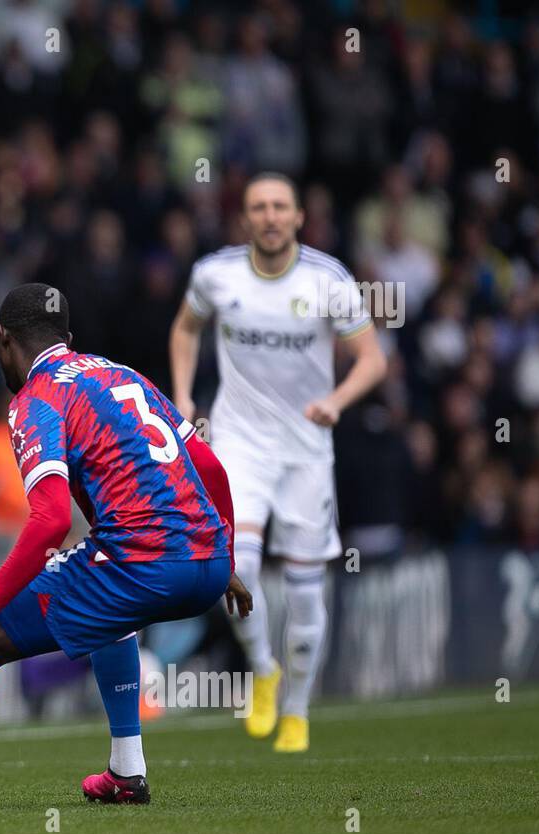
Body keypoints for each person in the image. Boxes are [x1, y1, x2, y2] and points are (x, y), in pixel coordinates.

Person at [0, 283, 251, 811]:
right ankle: (126, 773)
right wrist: (225, 556)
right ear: (67, 338)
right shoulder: (121, 374)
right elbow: (209, 466)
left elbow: (49, 519)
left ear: (2, 340)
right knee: (109, 614)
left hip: (142, 561)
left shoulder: (37, 398)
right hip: (207, 567)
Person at [168, 172, 387, 753]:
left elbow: (371, 357)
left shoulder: (327, 279)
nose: (269, 216)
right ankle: (263, 667)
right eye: (258, 207)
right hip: (241, 445)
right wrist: (185, 396)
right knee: (232, 568)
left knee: (306, 590)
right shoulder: (217, 274)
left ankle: (297, 708)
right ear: (245, 218)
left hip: (307, 451)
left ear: (297, 217)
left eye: (279, 207)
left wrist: (337, 401)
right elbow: (185, 329)